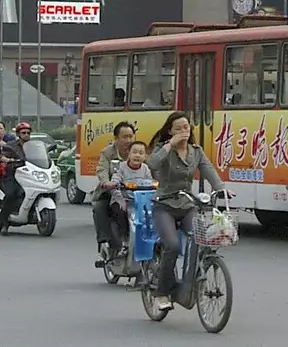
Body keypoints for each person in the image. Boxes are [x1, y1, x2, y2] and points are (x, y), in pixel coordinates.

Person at [147, 112, 225, 313]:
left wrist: (221, 188)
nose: (184, 131)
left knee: (202, 240)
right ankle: (162, 293)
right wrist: (170, 144)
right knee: (172, 245)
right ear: (170, 131)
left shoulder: (196, 152)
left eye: (187, 127)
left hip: (188, 205)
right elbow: (152, 164)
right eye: (179, 128)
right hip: (164, 205)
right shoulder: (164, 150)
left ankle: (190, 283)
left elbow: (209, 171)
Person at [92, 122, 138, 250]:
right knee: (100, 208)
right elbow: (102, 170)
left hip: (135, 194)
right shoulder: (107, 153)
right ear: (116, 138)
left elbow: (148, 169)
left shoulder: (137, 151)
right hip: (111, 192)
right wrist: (106, 183)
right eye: (124, 137)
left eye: (131, 136)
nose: (128, 140)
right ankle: (105, 243)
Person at [108, 140, 157, 254]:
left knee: (153, 215)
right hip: (123, 199)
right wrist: (120, 200)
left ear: (145, 156)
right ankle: (124, 241)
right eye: (134, 152)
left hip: (141, 200)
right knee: (121, 213)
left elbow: (151, 183)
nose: (137, 155)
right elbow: (114, 183)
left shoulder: (145, 168)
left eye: (141, 153)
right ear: (128, 153)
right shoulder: (121, 167)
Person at [0, 123, 35, 230]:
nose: (26, 135)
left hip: (29, 175)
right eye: (23, 133)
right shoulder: (11, 145)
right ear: (18, 134)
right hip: (13, 175)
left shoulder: (33, 146)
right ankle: (2, 220)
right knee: (12, 194)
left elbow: (40, 156)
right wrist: (8, 160)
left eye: (28, 133)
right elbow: (1, 156)